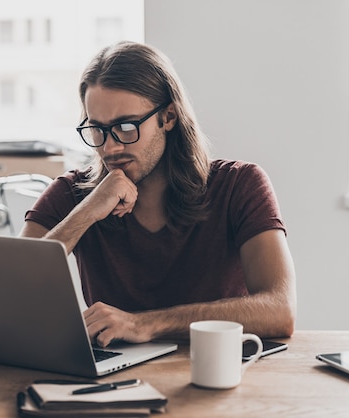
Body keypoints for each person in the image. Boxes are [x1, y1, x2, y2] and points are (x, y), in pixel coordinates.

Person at [20, 41, 296, 347]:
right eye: (97, 129)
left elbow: (279, 310)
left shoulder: (239, 185)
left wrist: (145, 324)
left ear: (168, 117)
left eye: (126, 126)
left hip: (217, 373)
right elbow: (10, 292)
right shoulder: (72, 193)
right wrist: (87, 211)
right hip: (114, 380)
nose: (110, 148)